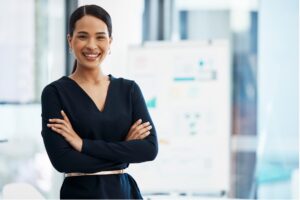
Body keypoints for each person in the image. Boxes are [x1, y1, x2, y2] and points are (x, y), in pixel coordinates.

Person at [41, 4, 158, 199]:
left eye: (100, 37)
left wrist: (82, 145)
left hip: (124, 194)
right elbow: (63, 161)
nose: (92, 45)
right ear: (70, 41)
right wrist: (124, 152)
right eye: (83, 36)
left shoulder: (129, 90)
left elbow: (149, 149)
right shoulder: (55, 93)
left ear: (110, 42)